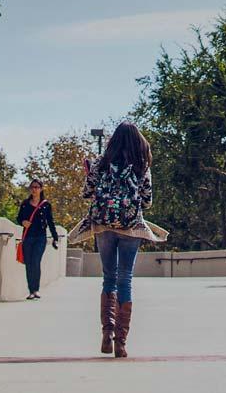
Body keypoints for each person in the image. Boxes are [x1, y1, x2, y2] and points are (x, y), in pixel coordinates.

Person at [64, 122, 168, 358]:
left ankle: (107, 334)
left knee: (108, 278)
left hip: (103, 225)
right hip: (131, 227)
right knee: (125, 280)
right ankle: (121, 342)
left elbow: (87, 193)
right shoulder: (142, 165)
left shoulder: (101, 163)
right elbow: (147, 201)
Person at [15, 179, 61, 300]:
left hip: (40, 237)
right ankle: (31, 291)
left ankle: (36, 289)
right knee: (29, 264)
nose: (34, 189)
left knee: (35, 262)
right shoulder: (25, 203)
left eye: (36, 187)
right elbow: (18, 218)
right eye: (32, 187)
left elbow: (50, 222)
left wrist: (55, 238)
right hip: (28, 237)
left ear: (41, 189)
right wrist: (23, 222)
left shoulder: (46, 205)